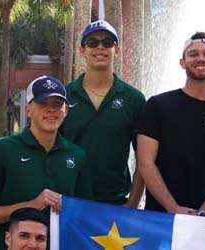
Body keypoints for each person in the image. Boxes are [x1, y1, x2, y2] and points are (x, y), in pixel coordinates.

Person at [0, 75, 93, 250]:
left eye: (57, 105)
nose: (51, 110)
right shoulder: (2, 150)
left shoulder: (77, 155)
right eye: (43, 104)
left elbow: (84, 216)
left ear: (66, 110)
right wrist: (31, 205)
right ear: (28, 109)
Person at [136, 31, 205, 218]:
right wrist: (172, 208)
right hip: (160, 220)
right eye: (193, 54)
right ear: (182, 62)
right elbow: (145, 163)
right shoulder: (157, 105)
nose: (201, 58)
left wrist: (202, 214)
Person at [61, 20, 146, 207]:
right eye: (92, 42)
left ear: (117, 50)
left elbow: (145, 159)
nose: (100, 47)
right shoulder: (63, 97)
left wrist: (132, 203)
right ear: (81, 51)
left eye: (107, 43)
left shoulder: (134, 99)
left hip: (115, 203)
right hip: (69, 203)